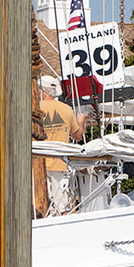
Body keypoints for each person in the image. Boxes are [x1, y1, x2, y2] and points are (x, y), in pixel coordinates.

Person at [36, 75, 84, 214]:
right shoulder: (66, 109)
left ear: (42, 91)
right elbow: (77, 136)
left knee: (40, 205)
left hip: (38, 165)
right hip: (60, 163)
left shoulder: (33, 109)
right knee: (62, 205)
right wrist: (80, 122)